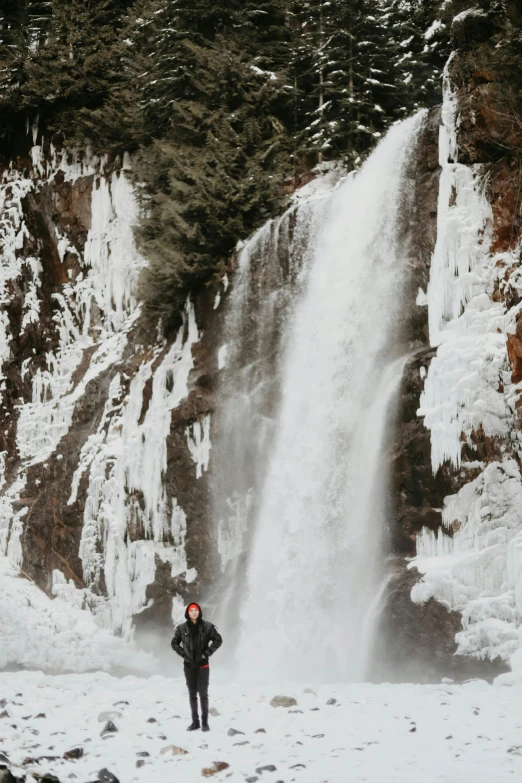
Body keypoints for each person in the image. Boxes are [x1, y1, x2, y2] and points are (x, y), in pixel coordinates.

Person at [171, 602, 223, 731]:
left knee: (203, 694)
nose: (194, 612)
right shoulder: (181, 628)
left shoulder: (208, 626)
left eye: (196, 610)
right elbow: (174, 643)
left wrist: (207, 653)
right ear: (187, 613)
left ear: (199, 612)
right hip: (188, 665)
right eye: (191, 610)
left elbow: (218, 640)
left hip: (203, 665)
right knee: (192, 694)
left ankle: (205, 722)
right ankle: (195, 722)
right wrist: (183, 654)